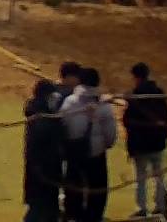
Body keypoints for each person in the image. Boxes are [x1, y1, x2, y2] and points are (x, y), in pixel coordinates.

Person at [60, 67, 117, 222]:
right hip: (96, 153)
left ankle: (73, 215)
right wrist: (106, 145)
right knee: (97, 190)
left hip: (75, 152)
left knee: (73, 187)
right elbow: (110, 134)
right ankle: (93, 217)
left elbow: (63, 125)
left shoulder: (70, 102)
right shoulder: (104, 105)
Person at [124, 62, 167, 218]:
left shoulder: (135, 95)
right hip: (157, 142)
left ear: (136, 77)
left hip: (141, 144)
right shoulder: (159, 93)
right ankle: (161, 205)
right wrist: (163, 136)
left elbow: (128, 121)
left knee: (141, 178)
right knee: (159, 176)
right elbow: (166, 117)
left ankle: (142, 208)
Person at [23, 80, 64, 222]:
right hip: (44, 170)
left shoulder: (39, 112)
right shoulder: (42, 118)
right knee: (40, 209)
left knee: (42, 206)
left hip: (41, 170)